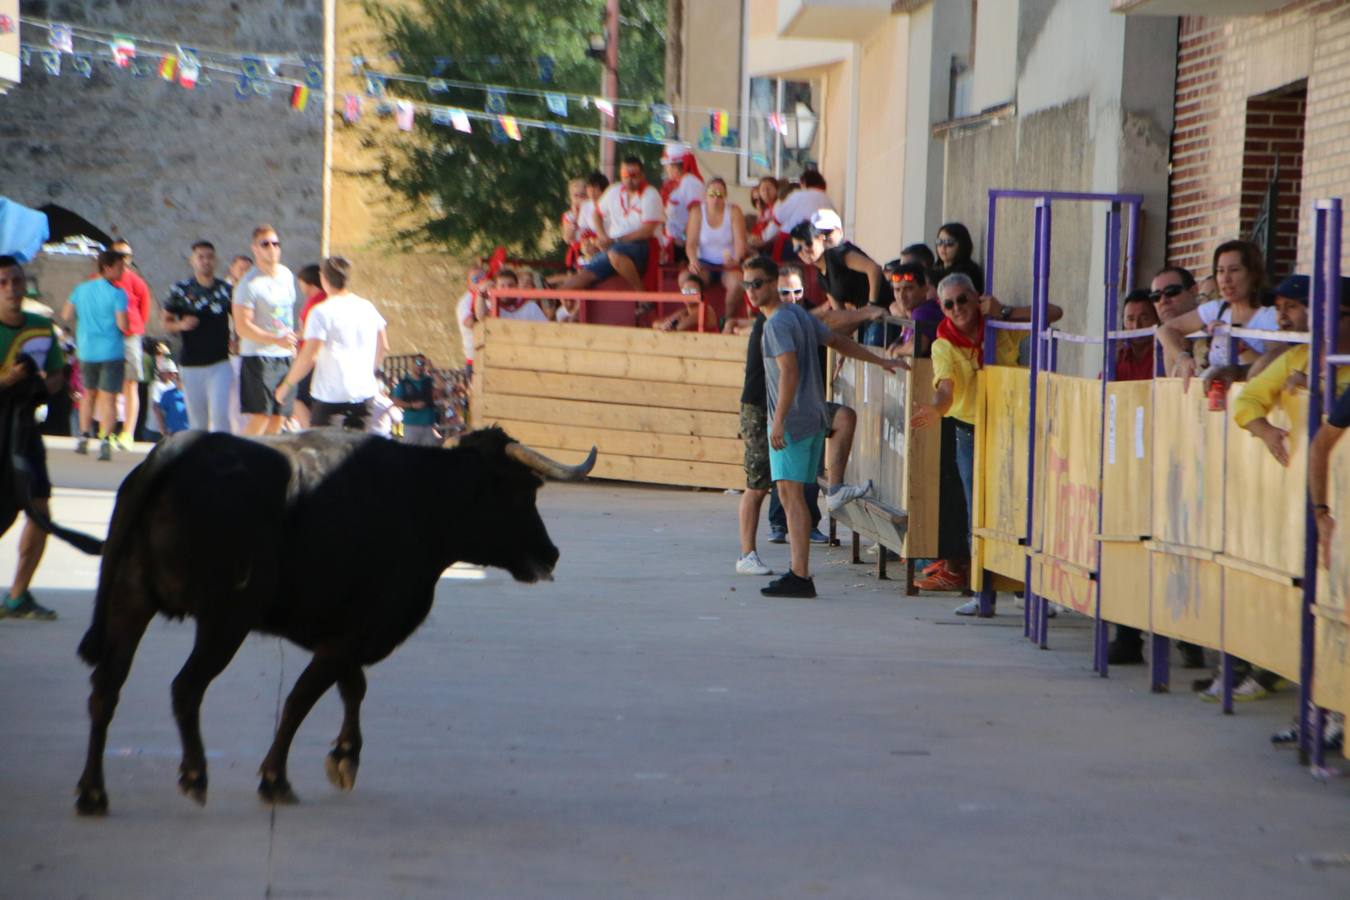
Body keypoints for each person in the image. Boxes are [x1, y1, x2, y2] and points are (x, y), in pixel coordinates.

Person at [747, 255, 905, 598]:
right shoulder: (798, 316)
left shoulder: (777, 324)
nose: (751, 291)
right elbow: (836, 341)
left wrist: (777, 421)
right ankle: (798, 572)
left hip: (794, 421)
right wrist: (879, 360)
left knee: (791, 498)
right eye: (747, 284)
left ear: (774, 283)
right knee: (795, 497)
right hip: (812, 417)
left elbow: (788, 371)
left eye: (757, 283)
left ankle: (800, 575)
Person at [910, 273, 1062, 610]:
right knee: (977, 511)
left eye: (963, 299)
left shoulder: (997, 326)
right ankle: (983, 592)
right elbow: (945, 390)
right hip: (971, 432)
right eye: (948, 304)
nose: (957, 308)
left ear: (976, 298)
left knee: (1018, 507)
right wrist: (936, 410)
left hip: (1011, 427)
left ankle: (1026, 590)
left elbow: (1054, 313)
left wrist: (1005, 311)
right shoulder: (943, 343)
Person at [0, 256, 67, 620]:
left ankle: (18, 595)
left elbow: (58, 376)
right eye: (3, 282)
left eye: (16, 281)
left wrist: (44, 383)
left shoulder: (42, 328)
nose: (11, 288)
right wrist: (6, 381)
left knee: (40, 509)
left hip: (25, 428)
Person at [275, 257, 388, 430]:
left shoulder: (321, 312)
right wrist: (368, 371)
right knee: (357, 454)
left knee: (324, 453)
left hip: (331, 398)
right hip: (364, 395)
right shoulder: (367, 307)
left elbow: (309, 357)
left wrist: (286, 386)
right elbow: (383, 346)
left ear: (323, 278)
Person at [1159, 240, 1278, 389]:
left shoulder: (1269, 316)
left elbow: (1276, 366)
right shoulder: (1217, 309)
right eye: (1220, 271)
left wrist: (1239, 346)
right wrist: (1182, 358)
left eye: (1234, 270)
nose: (1226, 279)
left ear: (1253, 274)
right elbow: (1165, 330)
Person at [61, 250, 129, 462]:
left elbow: (66, 314)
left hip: (87, 351)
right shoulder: (118, 294)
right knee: (109, 398)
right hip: (111, 352)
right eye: (120, 267)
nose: (123, 271)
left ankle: (83, 436)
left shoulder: (81, 289)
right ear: (107, 268)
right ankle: (105, 440)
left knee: (88, 395)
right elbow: (123, 325)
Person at [560, 157, 664, 293]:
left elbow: (647, 231)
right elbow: (597, 215)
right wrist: (602, 236)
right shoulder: (614, 190)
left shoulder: (650, 194)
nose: (630, 180)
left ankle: (641, 294)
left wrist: (614, 240)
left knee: (615, 255)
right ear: (621, 175)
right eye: (626, 175)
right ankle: (557, 304)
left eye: (634, 176)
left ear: (642, 175)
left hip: (641, 245)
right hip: (614, 246)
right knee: (576, 281)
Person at [162, 241, 234, 432]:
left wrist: (237, 341)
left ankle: (222, 461)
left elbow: (240, 321)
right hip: (191, 364)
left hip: (220, 363)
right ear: (192, 260)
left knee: (220, 418)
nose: (205, 261)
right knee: (198, 423)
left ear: (215, 260)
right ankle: (201, 459)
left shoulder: (226, 290)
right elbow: (166, 322)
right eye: (200, 257)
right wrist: (181, 325)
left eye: (209, 257)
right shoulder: (180, 290)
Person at [232, 225, 298, 435]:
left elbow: (286, 314)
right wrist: (275, 339)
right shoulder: (249, 284)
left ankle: (266, 463)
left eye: (275, 243)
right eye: (265, 244)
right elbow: (242, 327)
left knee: (279, 416)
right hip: (259, 357)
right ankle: (238, 459)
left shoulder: (286, 275)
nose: (271, 248)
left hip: (285, 356)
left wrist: (289, 344)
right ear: (255, 249)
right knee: (261, 415)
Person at [794, 210, 888, 346]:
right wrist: (844, 345)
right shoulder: (821, 275)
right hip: (865, 320)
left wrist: (871, 306)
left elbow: (874, 269)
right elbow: (842, 315)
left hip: (881, 314)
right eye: (797, 248)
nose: (804, 250)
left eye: (826, 233)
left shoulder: (838, 253)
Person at [108, 239, 152, 449]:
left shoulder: (137, 283)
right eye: (119, 255)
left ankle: (127, 432)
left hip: (129, 336)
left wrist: (132, 328)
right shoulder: (97, 280)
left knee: (130, 383)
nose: (123, 260)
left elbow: (144, 312)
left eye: (127, 256)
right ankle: (105, 430)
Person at [686, 177, 748, 318]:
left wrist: (737, 260)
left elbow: (740, 242)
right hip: (704, 264)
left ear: (725, 197)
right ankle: (698, 318)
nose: (715, 199)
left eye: (720, 195)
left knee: (738, 284)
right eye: (712, 194)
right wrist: (692, 260)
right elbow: (690, 243)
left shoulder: (734, 211)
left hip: (728, 264)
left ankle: (725, 319)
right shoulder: (697, 212)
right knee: (688, 288)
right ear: (705, 196)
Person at [291, 264, 327, 428]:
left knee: (299, 399)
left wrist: (293, 335)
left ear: (309, 283)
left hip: (311, 358)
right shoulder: (316, 301)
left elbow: (310, 331)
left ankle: (309, 431)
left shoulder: (317, 303)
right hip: (310, 355)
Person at [884, 261, 943, 358]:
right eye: (897, 290)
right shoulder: (915, 312)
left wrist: (895, 351)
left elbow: (917, 346)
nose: (902, 296)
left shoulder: (924, 311)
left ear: (924, 290)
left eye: (908, 288)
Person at [659, 143, 704, 261]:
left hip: (681, 245)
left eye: (667, 165)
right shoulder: (674, 184)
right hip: (670, 241)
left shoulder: (690, 183)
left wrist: (685, 238)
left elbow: (695, 214)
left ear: (675, 165)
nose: (666, 169)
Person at [771, 169, 834, 251]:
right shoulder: (827, 200)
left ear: (803, 183)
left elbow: (778, 217)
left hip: (792, 243)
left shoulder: (798, 196)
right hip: (819, 245)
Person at [394, 354, 441, 446]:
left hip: (428, 426)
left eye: (423, 363)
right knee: (410, 457)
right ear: (412, 364)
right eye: (418, 363)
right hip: (412, 426)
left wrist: (432, 369)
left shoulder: (428, 380)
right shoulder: (404, 383)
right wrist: (412, 405)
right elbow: (396, 401)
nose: (421, 366)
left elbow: (441, 387)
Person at [654, 269, 719, 333]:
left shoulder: (706, 310)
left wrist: (667, 326)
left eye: (692, 292)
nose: (688, 295)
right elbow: (655, 323)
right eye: (685, 292)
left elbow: (679, 326)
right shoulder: (684, 312)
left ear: (701, 294)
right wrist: (662, 325)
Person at [930, 223, 985, 295]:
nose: (943, 247)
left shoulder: (968, 272)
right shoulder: (935, 269)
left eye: (949, 242)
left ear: (962, 244)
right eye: (939, 242)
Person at [456, 266, 486, 374]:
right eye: (475, 279)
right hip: (474, 360)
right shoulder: (465, 301)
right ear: (468, 283)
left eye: (483, 277)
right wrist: (482, 315)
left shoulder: (489, 296)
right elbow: (468, 322)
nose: (480, 281)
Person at [150, 361, 190, 437]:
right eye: (179, 379)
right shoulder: (167, 393)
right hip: (173, 432)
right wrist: (162, 427)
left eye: (174, 373)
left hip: (189, 432)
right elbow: (158, 409)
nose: (173, 376)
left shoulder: (192, 394)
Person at [747, 176, 782, 252]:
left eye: (769, 188)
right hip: (763, 240)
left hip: (774, 243)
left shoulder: (779, 205)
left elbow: (775, 229)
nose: (766, 192)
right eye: (763, 190)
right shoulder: (766, 209)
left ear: (776, 189)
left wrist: (762, 240)